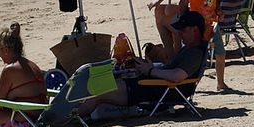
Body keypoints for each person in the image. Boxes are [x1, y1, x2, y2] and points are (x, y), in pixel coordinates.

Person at [77, 10, 208, 119]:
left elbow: (177, 76)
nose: (179, 33)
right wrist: (151, 66)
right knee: (100, 82)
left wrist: (150, 71)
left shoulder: (194, 53)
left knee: (99, 91)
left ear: (195, 30)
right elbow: (172, 70)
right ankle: (73, 113)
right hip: (151, 86)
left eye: (183, 30)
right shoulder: (189, 49)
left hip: (152, 89)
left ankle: (70, 117)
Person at [211, 0, 252, 91]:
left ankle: (220, 83)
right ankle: (221, 83)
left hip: (217, 24)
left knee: (219, 53)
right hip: (223, 23)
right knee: (220, 53)